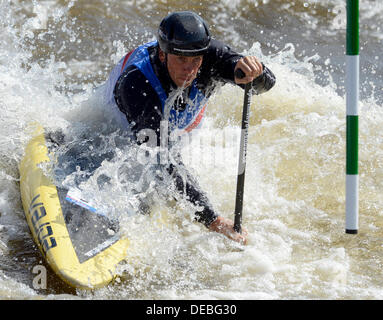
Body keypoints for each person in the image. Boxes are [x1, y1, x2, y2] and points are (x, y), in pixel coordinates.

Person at [101, 11, 276, 245]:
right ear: (163, 55)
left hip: (180, 127)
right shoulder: (137, 84)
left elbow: (265, 85)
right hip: (118, 124)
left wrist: (256, 72)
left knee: (170, 172)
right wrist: (213, 220)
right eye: (181, 60)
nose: (190, 70)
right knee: (146, 173)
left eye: (195, 61)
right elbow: (159, 157)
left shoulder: (210, 55)